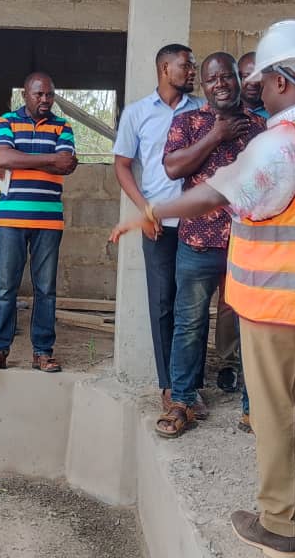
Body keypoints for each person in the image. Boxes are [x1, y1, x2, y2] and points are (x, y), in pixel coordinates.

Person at [112, 19, 295, 558]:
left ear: (281, 81)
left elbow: (216, 193)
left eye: (261, 81)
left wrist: (152, 211)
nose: (256, 90)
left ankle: (276, 525)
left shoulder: (283, 142)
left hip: (275, 304)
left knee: (273, 412)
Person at [159, 52, 265, 436]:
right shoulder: (188, 122)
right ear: (203, 85)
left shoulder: (260, 127)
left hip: (248, 244)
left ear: (239, 79)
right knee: (189, 324)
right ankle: (183, 402)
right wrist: (216, 135)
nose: (220, 84)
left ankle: (255, 409)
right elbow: (173, 167)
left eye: (227, 77)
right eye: (211, 79)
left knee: (252, 327)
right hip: (198, 242)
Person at [112, 43, 203, 412]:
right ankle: (169, 384)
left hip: (198, 225)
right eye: (186, 65)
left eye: (193, 66)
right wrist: (145, 211)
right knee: (163, 304)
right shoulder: (137, 113)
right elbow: (122, 166)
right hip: (159, 225)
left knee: (193, 308)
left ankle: (190, 385)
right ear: (165, 68)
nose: (193, 71)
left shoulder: (202, 110)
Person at [0, 72, 77, 373]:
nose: (45, 99)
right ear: (25, 94)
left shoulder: (63, 126)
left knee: (45, 289)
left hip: (49, 220)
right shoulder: (7, 121)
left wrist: (21, 157)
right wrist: (49, 159)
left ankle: (42, 351)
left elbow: (66, 164)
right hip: (10, 218)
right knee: (5, 287)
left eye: (49, 94)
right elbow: (3, 159)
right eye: (38, 94)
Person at [237, 51, 270, 120]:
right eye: (246, 76)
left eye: (259, 76)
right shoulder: (228, 113)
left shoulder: (277, 110)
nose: (253, 83)